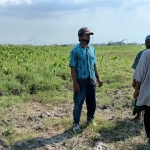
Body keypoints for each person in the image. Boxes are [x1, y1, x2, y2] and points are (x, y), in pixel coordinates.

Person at [69, 27, 103, 132]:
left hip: (91, 79)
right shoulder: (75, 51)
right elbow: (73, 68)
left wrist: (98, 78)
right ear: (80, 37)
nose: (88, 37)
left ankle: (90, 119)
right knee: (78, 102)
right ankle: (76, 124)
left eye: (89, 35)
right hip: (81, 80)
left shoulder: (92, 50)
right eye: (86, 35)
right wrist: (75, 83)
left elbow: (94, 65)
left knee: (92, 102)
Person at [133, 36, 150, 145]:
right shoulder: (142, 54)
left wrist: (137, 89)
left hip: (148, 93)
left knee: (148, 114)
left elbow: (139, 74)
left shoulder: (146, 54)